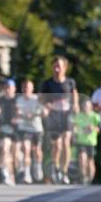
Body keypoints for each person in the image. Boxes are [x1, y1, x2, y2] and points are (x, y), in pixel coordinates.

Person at [40, 56, 79, 184]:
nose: (57, 69)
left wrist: (76, 105)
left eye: (59, 66)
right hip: (54, 116)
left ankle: (64, 171)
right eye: (55, 66)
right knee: (57, 145)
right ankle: (56, 168)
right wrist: (46, 106)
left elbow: (74, 94)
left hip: (66, 114)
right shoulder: (47, 83)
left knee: (66, 141)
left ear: (65, 68)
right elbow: (41, 99)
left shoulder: (70, 82)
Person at [14, 79, 44, 183]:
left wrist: (34, 115)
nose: (27, 89)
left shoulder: (37, 99)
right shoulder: (19, 100)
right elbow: (17, 111)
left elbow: (43, 113)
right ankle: (27, 173)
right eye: (25, 87)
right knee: (26, 149)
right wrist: (21, 115)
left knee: (37, 151)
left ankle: (38, 165)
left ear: (32, 88)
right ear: (22, 89)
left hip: (36, 128)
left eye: (28, 87)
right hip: (24, 128)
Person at [0, 78, 19, 184]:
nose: (8, 89)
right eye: (6, 87)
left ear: (14, 88)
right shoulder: (1, 99)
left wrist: (17, 117)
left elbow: (20, 111)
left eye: (10, 87)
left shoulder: (17, 99)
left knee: (14, 156)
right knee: (4, 148)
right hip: (4, 128)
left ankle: (13, 175)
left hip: (16, 129)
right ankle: (6, 173)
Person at [72, 98, 100, 184]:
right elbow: (74, 127)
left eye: (87, 106)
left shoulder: (95, 116)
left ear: (90, 107)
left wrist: (93, 128)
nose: (86, 107)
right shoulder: (78, 116)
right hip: (81, 141)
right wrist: (75, 131)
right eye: (84, 106)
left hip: (91, 142)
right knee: (82, 158)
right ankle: (83, 176)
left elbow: (99, 129)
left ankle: (90, 179)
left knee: (90, 161)